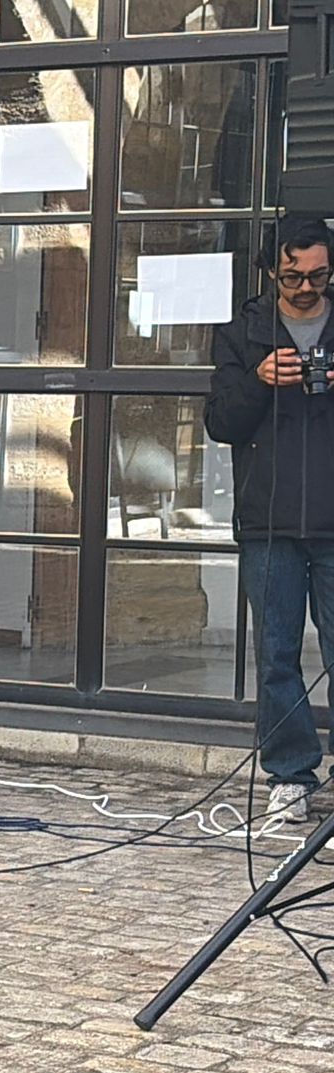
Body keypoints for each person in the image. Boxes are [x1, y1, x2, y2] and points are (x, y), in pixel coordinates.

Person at [206, 216, 334, 822]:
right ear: (269, 272)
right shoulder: (243, 333)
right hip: (268, 519)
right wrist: (259, 382)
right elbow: (220, 423)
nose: (306, 288)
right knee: (278, 655)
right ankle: (291, 774)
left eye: (318, 276)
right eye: (292, 277)